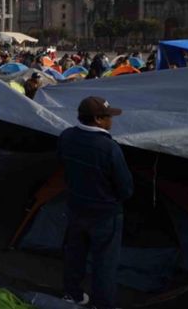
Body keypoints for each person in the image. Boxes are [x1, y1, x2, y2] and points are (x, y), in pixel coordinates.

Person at [58, 96, 133, 309]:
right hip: (105, 214)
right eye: (109, 117)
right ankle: (103, 304)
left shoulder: (66, 136)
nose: (112, 121)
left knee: (74, 254)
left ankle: (72, 294)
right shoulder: (109, 148)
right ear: (99, 119)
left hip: (75, 207)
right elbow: (126, 188)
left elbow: (61, 163)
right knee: (104, 263)